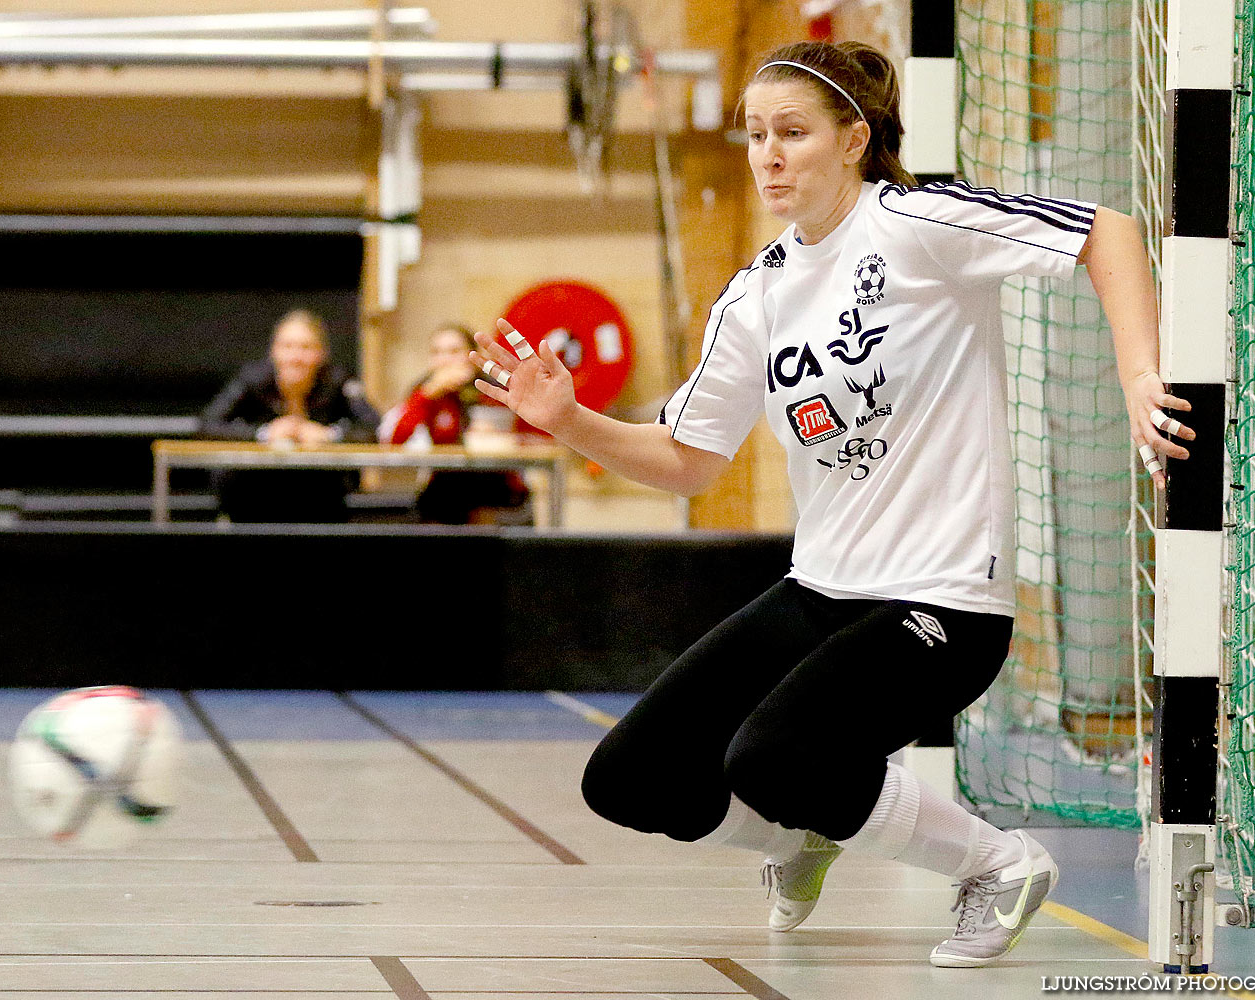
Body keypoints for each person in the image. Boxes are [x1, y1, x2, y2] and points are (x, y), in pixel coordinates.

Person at [469, 40, 1194, 968]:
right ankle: (800, 835)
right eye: (755, 135)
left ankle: (998, 866)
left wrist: (1142, 373)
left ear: (853, 139)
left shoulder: (919, 224)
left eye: (793, 133)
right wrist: (570, 420)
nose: (769, 155)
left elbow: (1108, 232)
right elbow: (691, 462)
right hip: (819, 593)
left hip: (943, 602)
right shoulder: (757, 293)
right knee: (630, 778)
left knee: (773, 754)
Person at [200, 309, 380, 522]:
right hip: (254, 492)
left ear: (321, 354)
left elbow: (373, 427)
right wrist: (263, 433)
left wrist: (330, 435)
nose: (295, 358)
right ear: (273, 351)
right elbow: (207, 424)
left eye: (305, 348)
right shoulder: (252, 379)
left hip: (321, 494)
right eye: (287, 347)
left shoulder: (338, 381)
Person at [382, 322, 529, 525]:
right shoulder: (426, 390)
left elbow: (524, 435)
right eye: (437, 352)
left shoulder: (493, 387)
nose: (445, 360)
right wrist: (427, 395)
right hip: (447, 482)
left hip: (495, 481)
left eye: (454, 351)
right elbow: (395, 439)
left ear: (472, 355)